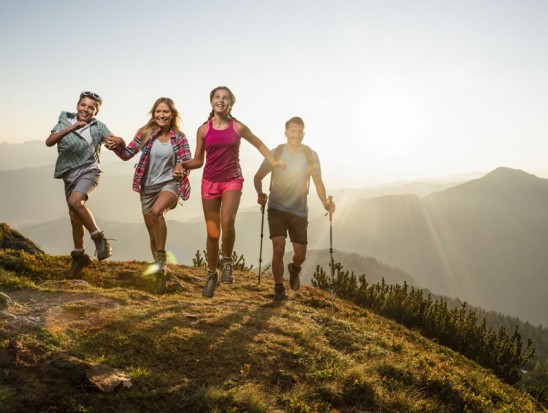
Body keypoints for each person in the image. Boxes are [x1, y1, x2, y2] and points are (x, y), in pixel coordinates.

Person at [176, 86, 284, 298]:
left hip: (232, 180)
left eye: (225, 98)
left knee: (227, 221)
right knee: (212, 231)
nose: (221, 100)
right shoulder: (203, 130)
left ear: (231, 104)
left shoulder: (238, 127)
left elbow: (259, 143)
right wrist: (182, 164)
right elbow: (198, 160)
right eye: (217, 97)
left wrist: (273, 162)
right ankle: (211, 274)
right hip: (209, 182)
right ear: (211, 101)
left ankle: (226, 262)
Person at [109, 97, 192, 294]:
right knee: (153, 234)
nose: (161, 115)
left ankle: (162, 262)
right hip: (147, 187)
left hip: (170, 184)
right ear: (154, 114)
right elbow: (127, 154)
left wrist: (181, 169)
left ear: (172, 115)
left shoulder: (179, 137)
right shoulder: (145, 133)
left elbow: (186, 162)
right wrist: (118, 143)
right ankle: (159, 273)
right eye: (158, 112)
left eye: (165, 112)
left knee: (157, 213)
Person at [253, 116, 335, 301]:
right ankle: (279, 288)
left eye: (299, 132)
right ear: (286, 133)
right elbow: (258, 177)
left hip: (299, 210)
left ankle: (294, 268)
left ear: (303, 134)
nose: (296, 135)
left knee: (300, 254)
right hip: (276, 207)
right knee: (278, 248)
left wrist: (325, 203)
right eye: (292, 131)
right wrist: (260, 194)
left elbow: (318, 182)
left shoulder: (310, 155)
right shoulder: (276, 152)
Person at [46, 91, 122, 278]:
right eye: (83, 105)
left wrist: (119, 141)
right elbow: (49, 142)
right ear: (77, 106)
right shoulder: (64, 121)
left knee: (75, 201)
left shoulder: (97, 126)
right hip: (69, 176)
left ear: (96, 111)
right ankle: (79, 256)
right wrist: (72, 128)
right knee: (74, 218)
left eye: (91, 107)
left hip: (90, 171)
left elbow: (115, 141)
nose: (86, 110)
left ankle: (100, 239)